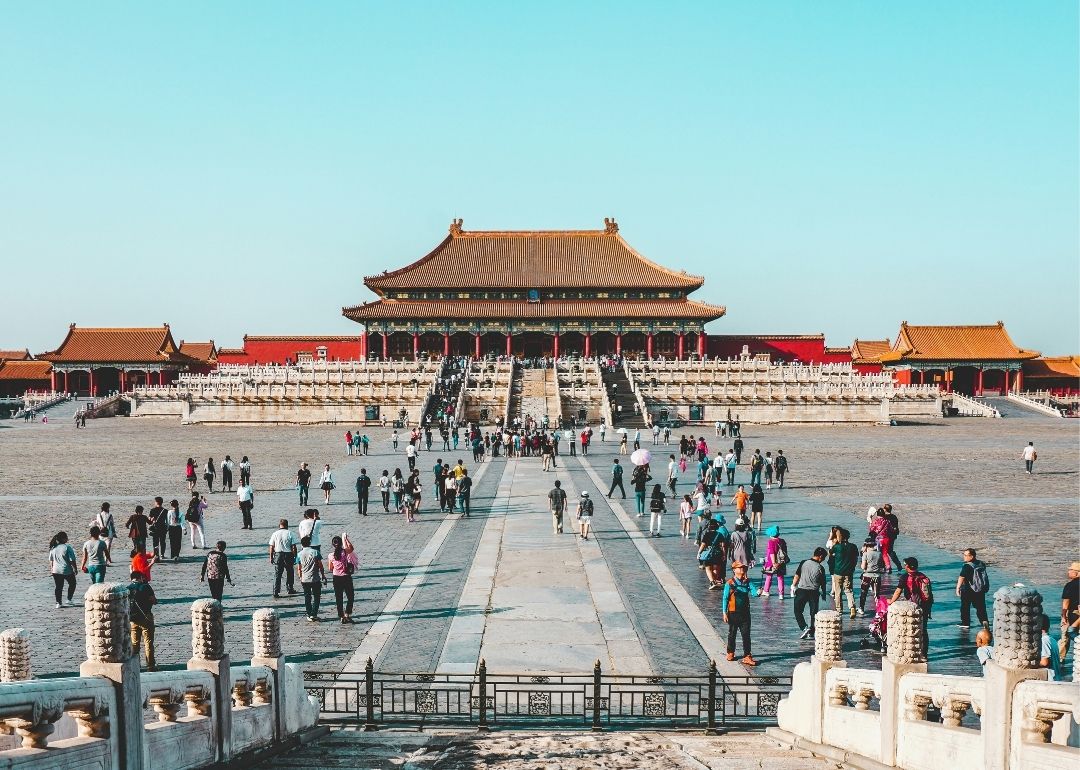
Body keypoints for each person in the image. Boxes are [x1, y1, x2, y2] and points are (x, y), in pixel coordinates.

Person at [890, 557, 934, 658]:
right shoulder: (923, 576)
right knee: (923, 629)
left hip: (913, 607)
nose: (904, 566)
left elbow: (898, 591)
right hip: (925, 607)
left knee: (911, 629)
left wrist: (891, 601)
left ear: (908, 566)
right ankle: (924, 654)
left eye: (905, 564)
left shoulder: (905, 577)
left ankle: (912, 652)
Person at [722, 561, 757, 665]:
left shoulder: (748, 582)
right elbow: (725, 598)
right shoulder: (730, 583)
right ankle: (730, 652)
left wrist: (758, 592)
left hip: (745, 613)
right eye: (739, 567)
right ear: (734, 570)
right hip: (733, 613)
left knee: (746, 635)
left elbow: (754, 593)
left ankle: (747, 656)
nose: (742, 569)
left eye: (743, 568)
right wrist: (724, 612)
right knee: (732, 634)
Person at [792, 548, 829, 639]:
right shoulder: (821, 568)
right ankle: (812, 631)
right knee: (813, 613)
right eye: (824, 558)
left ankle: (804, 627)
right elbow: (823, 583)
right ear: (820, 556)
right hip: (814, 592)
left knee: (797, 611)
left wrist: (793, 586)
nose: (823, 560)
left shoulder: (803, 562)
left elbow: (797, 576)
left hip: (801, 591)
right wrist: (824, 593)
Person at [127, 570, 157, 670]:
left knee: (134, 644)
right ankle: (150, 665)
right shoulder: (145, 587)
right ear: (140, 577)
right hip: (146, 618)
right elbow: (153, 600)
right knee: (148, 643)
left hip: (133, 620)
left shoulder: (127, 589)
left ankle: (136, 666)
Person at [956, 548, 990, 629]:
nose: (964, 557)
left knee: (965, 607)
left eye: (965, 555)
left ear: (971, 556)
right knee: (981, 607)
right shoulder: (981, 563)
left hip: (968, 589)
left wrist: (958, 588)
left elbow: (961, 577)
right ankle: (984, 622)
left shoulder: (967, 566)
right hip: (980, 589)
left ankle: (965, 623)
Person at [328, 535, 359, 624]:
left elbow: (330, 568)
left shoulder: (330, 555)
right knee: (350, 596)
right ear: (341, 543)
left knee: (339, 598)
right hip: (346, 577)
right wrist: (346, 539)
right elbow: (351, 548)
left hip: (336, 578)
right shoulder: (345, 552)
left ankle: (341, 616)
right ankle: (347, 613)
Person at [829, 527, 859, 618]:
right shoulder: (853, 546)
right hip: (848, 572)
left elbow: (830, 553)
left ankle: (839, 609)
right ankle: (852, 607)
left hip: (838, 571)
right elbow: (856, 557)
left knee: (838, 592)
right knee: (848, 590)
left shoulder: (837, 547)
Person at [297, 535, 327, 622]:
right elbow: (320, 566)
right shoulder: (315, 552)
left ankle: (309, 613)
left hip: (305, 579)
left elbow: (299, 568)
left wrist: (300, 577)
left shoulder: (299, 554)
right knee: (317, 596)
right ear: (310, 543)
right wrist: (323, 575)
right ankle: (314, 613)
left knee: (307, 597)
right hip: (315, 578)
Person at [269, 519, 299, 598]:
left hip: (278, 555)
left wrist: (271, 557)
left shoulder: (275, 534)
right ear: (287, 525)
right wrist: (295, 556)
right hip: (288, 555)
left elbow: (271, 547)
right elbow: (293, 547)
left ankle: (275, 591)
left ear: (279, 525)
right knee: (290, 572)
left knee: (277, 574)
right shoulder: (290, 533)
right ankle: (290, 588)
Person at [697, 515, 729, 589]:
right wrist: (724, 554)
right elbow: (723, 546)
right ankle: (714, 581)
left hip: (708, 553)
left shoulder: (707, 534)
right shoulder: (720, 534)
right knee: (716, 568)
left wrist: (699, 552)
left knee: (708, 568)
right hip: (717, 553)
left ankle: (712, 582)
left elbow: (703, 544)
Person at [49, 532, 78, 608]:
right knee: (72, 583)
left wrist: (52, 569)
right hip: (66, 570)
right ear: (63, 539)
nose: (67, 539)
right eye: (66, 537)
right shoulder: (67, 547)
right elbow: (72, 560)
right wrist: (75, 568)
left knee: (58, 587)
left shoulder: (53, 548)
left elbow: (51, 560)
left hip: (56, 570)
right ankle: (69, 599)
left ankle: (58, 602)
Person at [759, 526, 789, 598]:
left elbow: (772, 553)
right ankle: (781, 594)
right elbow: (785, 552)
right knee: (780, 577)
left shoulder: (771, 542)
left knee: (769, 576)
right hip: (781, 562)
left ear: (770, 534)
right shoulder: (782, 541)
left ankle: (766, 591)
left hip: (771, 562)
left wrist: (774, 563)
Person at [858, 537, 884, 617]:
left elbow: (863, 567)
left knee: (863, 593)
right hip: (877, 575)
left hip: (867, 575)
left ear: (866, 546)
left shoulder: (865, 554)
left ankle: (861, 609)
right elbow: (882, 565)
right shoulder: (879, 553)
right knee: (876, 594)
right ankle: (879, 610)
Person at [1060, 561, 1079, 660]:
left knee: (1065, 639)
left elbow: (1066, 604)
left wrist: (1064, 617)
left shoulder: (1070, 585)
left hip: (1071, 613)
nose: (1068, 572)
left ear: (1077, 573)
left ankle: (1060, 660)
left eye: (1071, 570)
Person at [1039, 614, 1061, 680]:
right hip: (1056, 677)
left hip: (1049, 678)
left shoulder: (1043, 640)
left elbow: (1044, 662)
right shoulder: (1052, 639)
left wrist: (1031, 663)